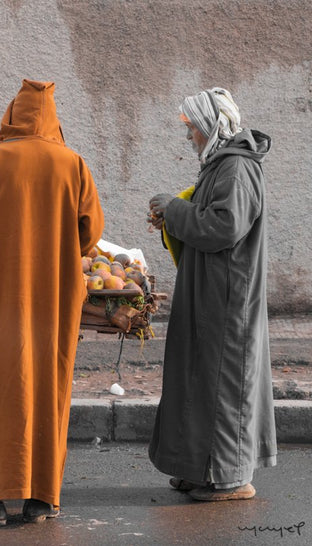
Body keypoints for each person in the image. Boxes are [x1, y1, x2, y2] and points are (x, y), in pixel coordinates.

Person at [0, 79, 104, 526]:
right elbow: (90, 234)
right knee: (49, 388)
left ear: (12, 116)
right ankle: (41, 500)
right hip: (54, 295)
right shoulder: (73, 163)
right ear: (53, 118)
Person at [147, 87, 276, 502]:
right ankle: (199, 467)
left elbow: (223, 227)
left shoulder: (236, 168)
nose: (189, 138)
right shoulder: (221, 166)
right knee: (201, 383)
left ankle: (229, 478)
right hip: (210, 294)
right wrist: (173, 214)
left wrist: (174, 209)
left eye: (192, 130)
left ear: (211, 126)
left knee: (224, 386)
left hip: (227, 300)